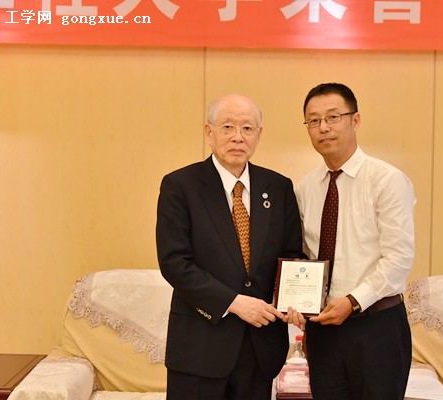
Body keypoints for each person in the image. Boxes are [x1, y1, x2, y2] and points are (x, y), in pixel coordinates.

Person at [156, 93, 304, 400]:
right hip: (199, 348)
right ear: (209, 132)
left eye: (247, 128)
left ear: (259, 134)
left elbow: (292, 256)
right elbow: (175, 263)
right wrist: (234, 302)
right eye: (227, 127)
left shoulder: (278, 187)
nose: (238, 137)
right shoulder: (180, 186)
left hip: (260, 348)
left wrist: (298, 300)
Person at [292, 83, 416, 400]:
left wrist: (353, 300)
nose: (323, 127)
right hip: (323, 330)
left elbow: (399, 258)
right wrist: (296, 300)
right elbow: (303, 256)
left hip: (376, 326)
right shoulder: (306, 187)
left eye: (333, 117)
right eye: (314, 120)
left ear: (355, 120)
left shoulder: (387, 180)